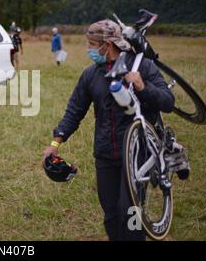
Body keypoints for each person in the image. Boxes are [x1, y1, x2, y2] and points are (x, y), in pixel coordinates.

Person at [42, 20, 175, 241]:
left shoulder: (141, 66)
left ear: (108, 44)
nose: (89, 49)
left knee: (130, 211)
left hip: (137, 153)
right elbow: (74, 110)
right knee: (111, 215)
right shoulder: (91, 75)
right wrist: (55, 144)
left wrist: (143, 87)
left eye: (92, 44)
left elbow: (168, 102)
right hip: (105, 153)